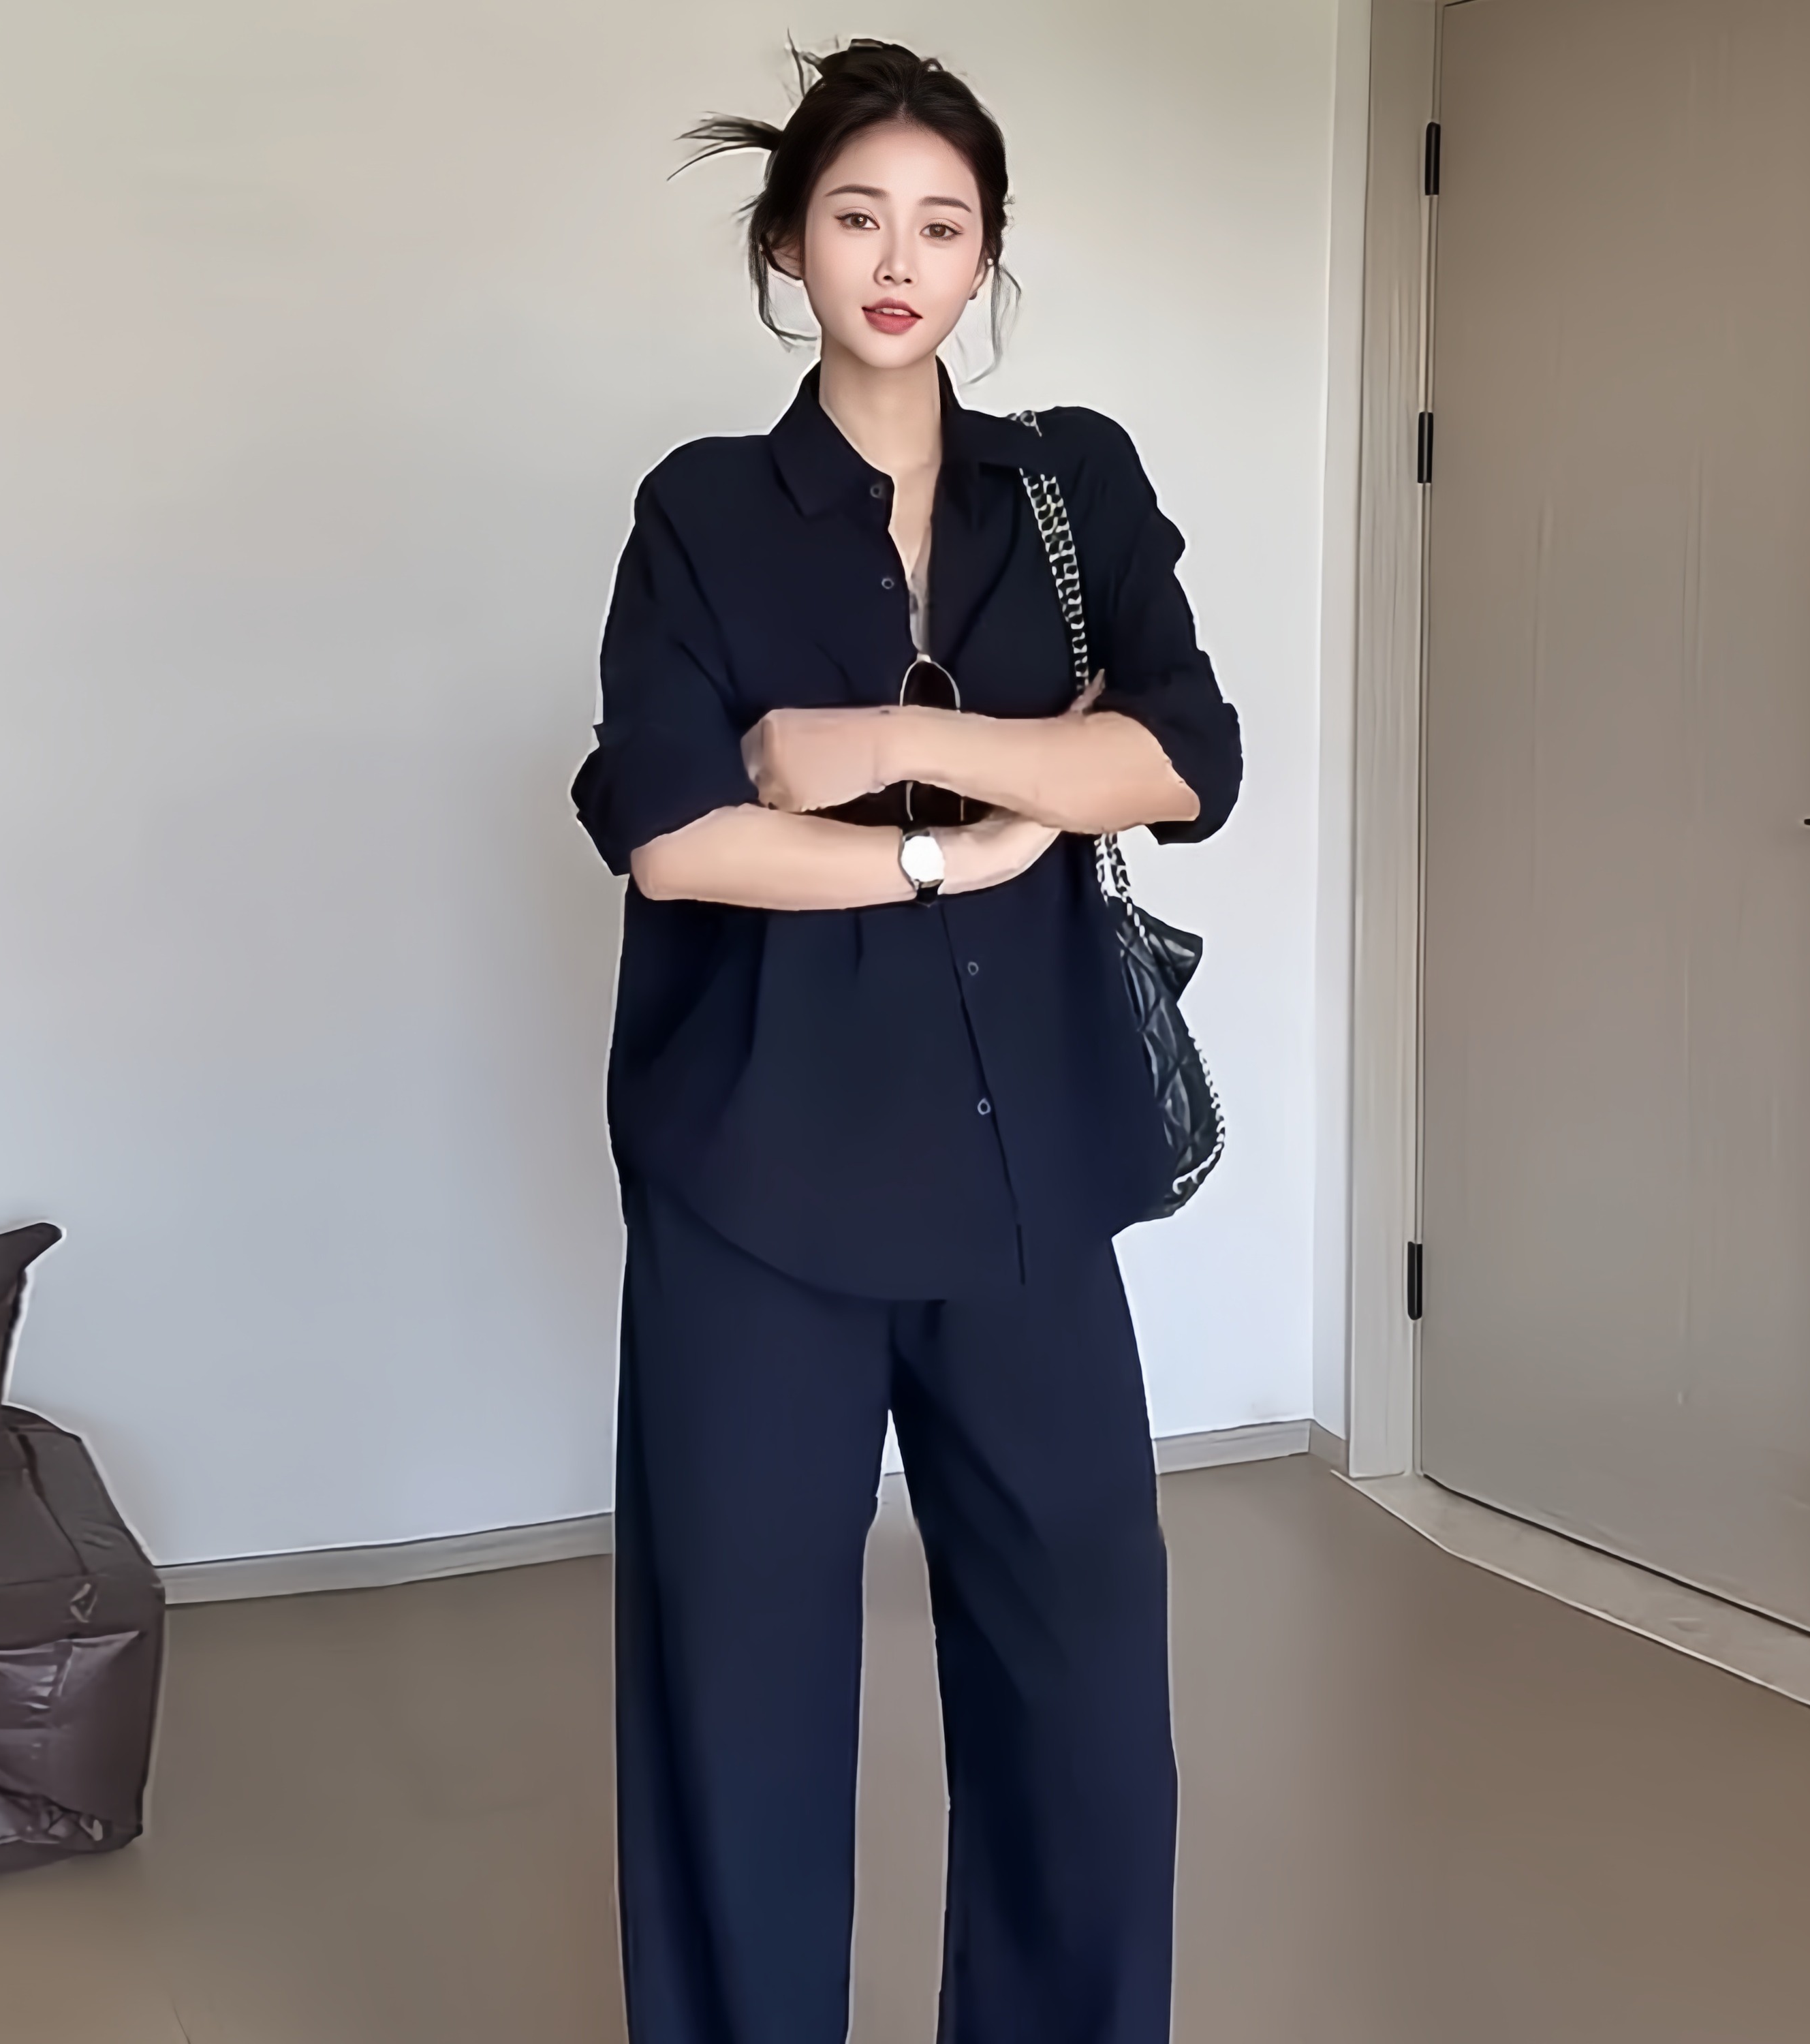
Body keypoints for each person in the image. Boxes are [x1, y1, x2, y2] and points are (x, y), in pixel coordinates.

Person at [571, 39, 1242, 2044]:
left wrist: (882, 749)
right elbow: (677, 834)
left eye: (942, 226)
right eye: (857, 217)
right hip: (757, 1183)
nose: (897, 260)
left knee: (1086, 1709)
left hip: (1027, 1182)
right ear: (788, 245)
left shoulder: (1073, 483)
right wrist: (967, 849)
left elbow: (1184, 761)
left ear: (986, 256)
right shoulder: (705, 508)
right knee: (740, 1706)